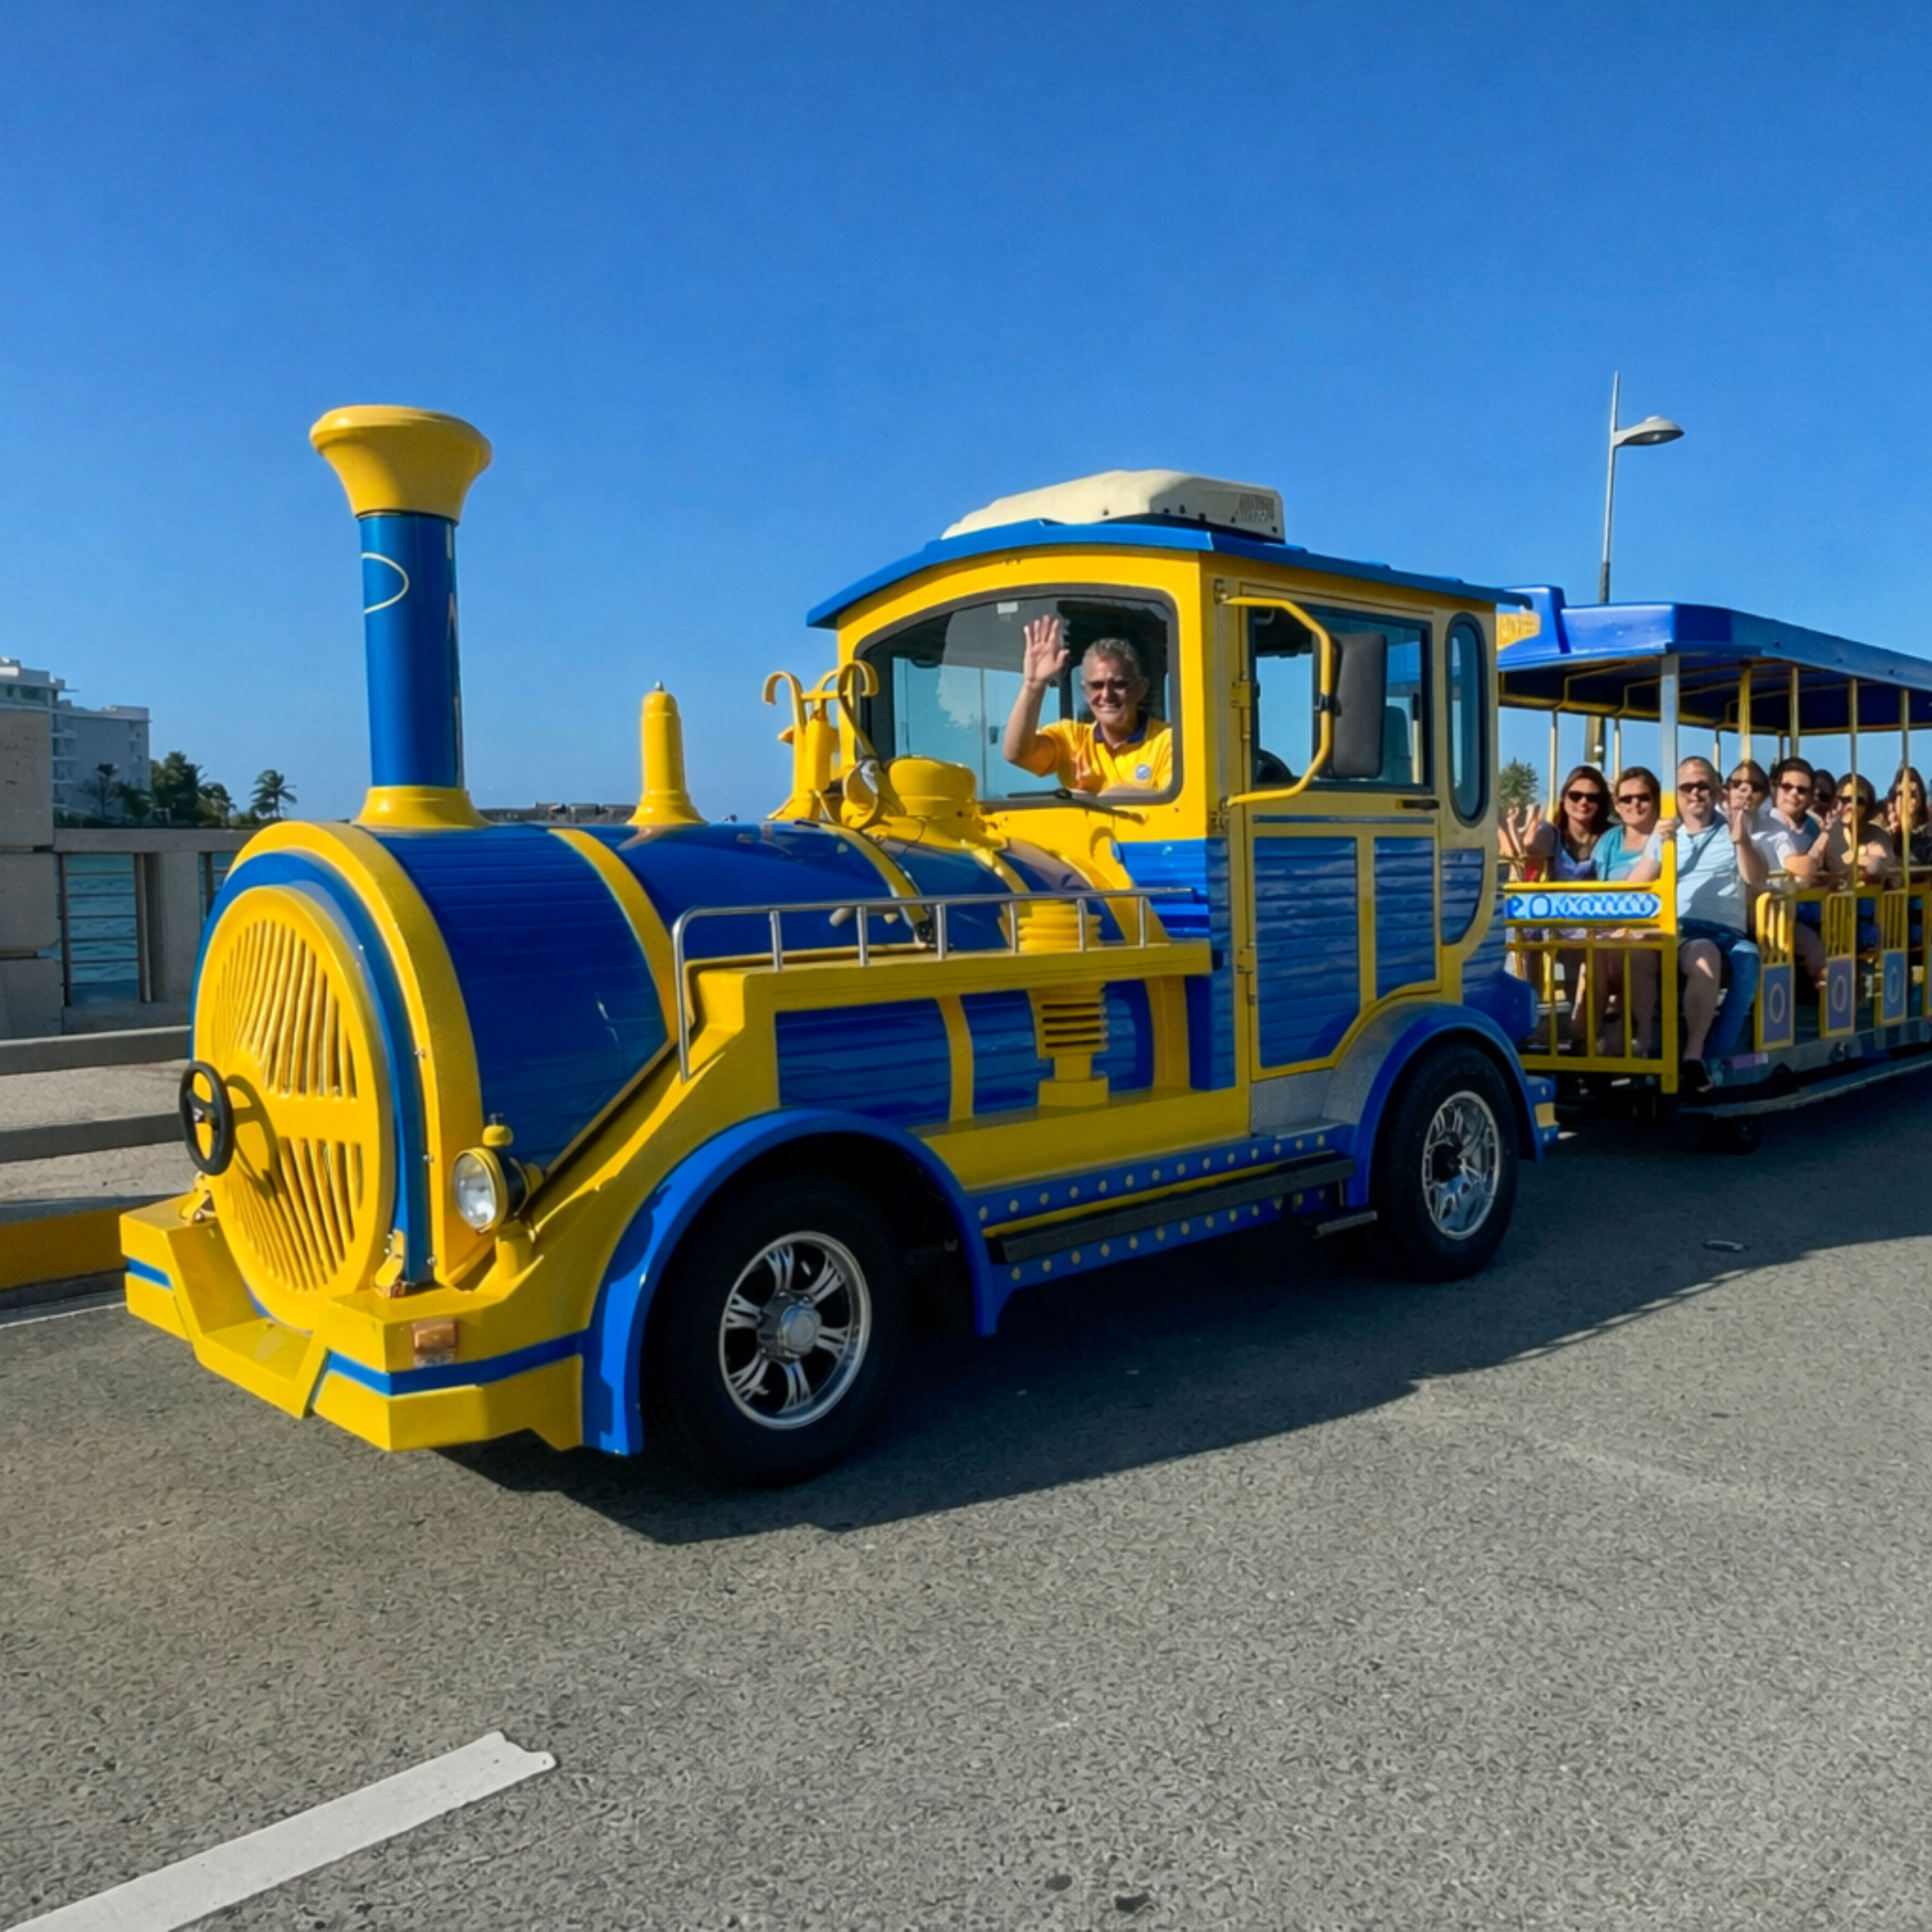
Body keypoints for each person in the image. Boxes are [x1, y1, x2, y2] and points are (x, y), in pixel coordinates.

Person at [1627, 755, 1767, 1079]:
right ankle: (1652, 1042)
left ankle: (1703, 1055)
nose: (1695, 793)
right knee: (1659, 948)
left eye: (1702, 786)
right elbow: (1635, 886)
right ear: (1675, 794)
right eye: (1686, 787)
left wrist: (1742, 840)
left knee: (1747, 960)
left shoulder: (1733, 827)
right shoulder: (1666, 836)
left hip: (1728, 934)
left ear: (1716, 790)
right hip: (1681, 930)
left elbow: (1755, 877)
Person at [1500, 766, 1611, 1046]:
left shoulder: (1609, 838)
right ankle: (1530, 1018)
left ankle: (1580, 1027)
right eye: (1576, 795)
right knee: (1527, 936)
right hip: (1555, 917)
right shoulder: (1553, 833)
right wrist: (1526, 823)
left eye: (1592, 797)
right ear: (1564, 799)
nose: (1583, 802)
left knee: (1581, 949)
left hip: (1587, 921)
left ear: (1601, 803)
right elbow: (1531, 851)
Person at [1002, 617, 1171, 793]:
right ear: (1085, 692)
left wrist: (1095, 797)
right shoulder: (1072, 740)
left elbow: (1175, 812)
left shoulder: (1168, 742)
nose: (1106, 695)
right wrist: (1033, 685)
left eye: (1119, 685)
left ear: (1140, 689)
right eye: (1096, 686)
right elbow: (1018, 754)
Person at [1590, 765, 1663, 1055]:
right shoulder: (1610, 841)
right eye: (1626, 800)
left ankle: (1642, 1036)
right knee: (1590, 952)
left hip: (1655, 925)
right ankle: (1588, 1033)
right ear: (1617, 806)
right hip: (1611, 924)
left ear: (1656, 799)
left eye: (1643, 797)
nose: (1635, 804)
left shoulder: (1669, 839)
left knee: (1635, 951)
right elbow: (1593, 882)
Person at [1754, 757, 1828, 991]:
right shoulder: (1769, 822)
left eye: (1801, 790)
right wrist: (1827, 835)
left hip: (1788, 908)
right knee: (1814, 946)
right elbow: (1804, 871)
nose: (1793, 794)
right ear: (1776, 787)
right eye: (1788, 787)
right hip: (1765, 910)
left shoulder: (1803, 832)